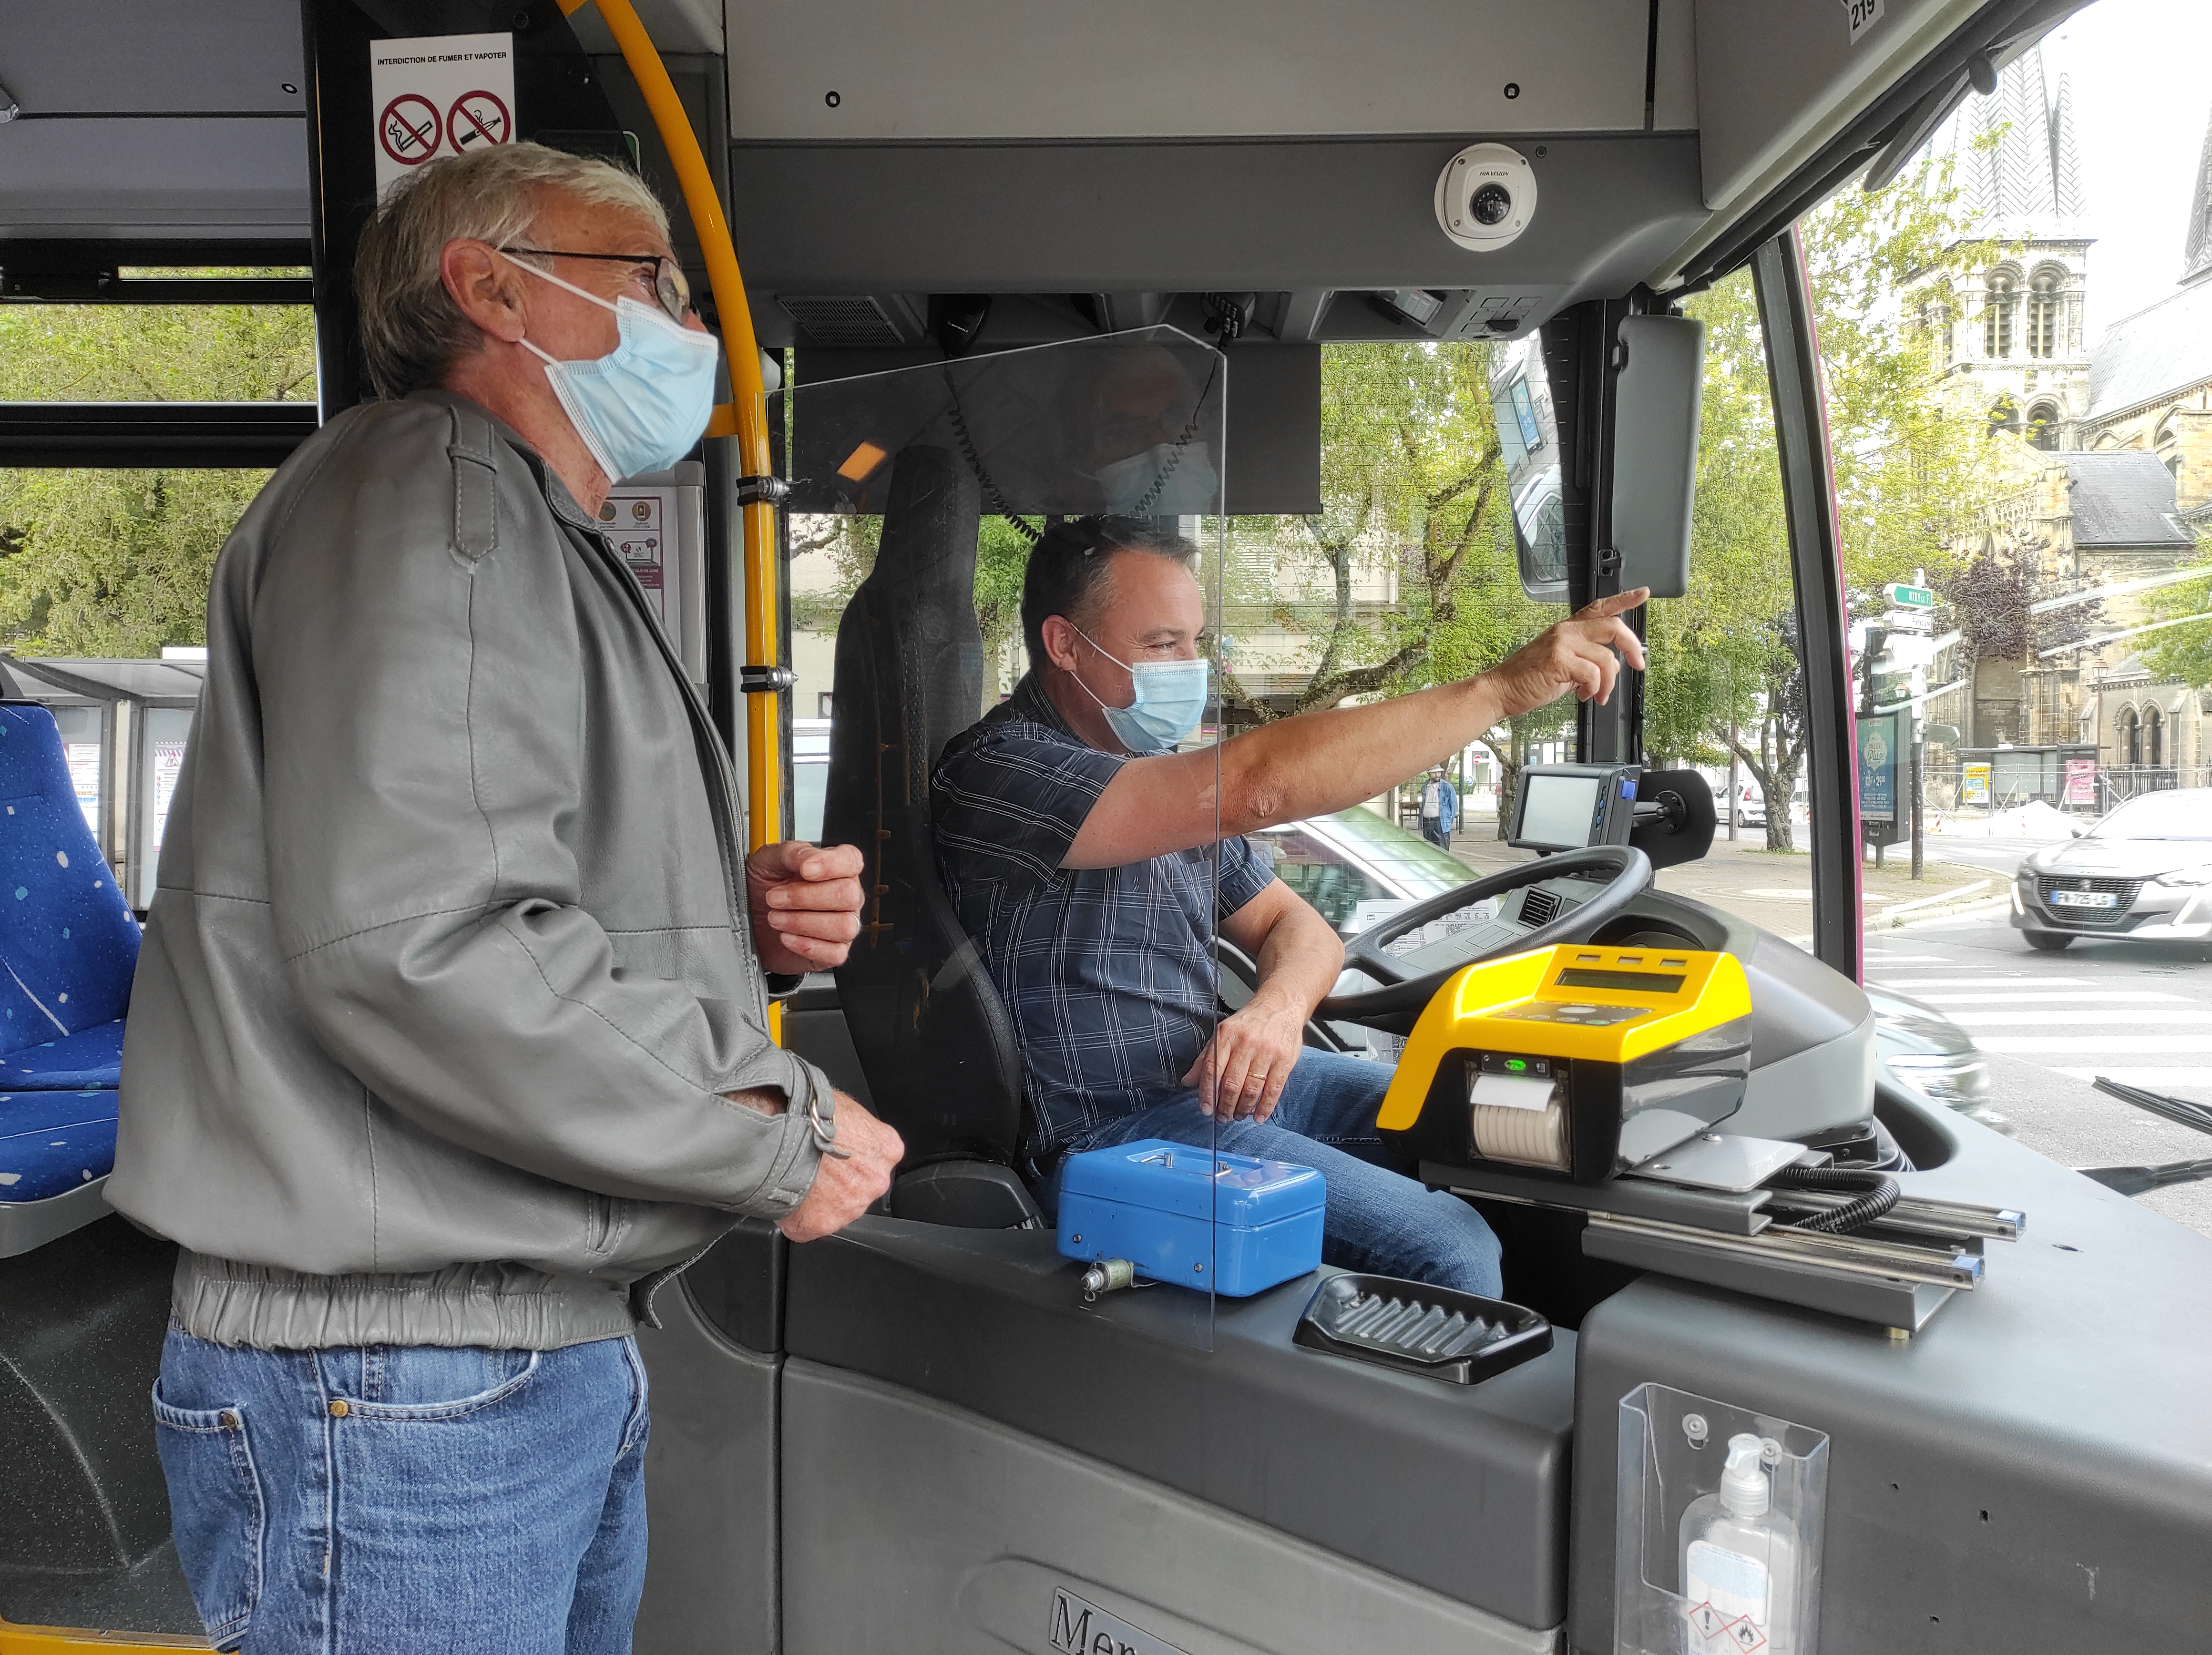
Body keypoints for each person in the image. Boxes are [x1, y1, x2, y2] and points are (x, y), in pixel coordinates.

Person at [107, 143, 902, 1655]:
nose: (687, 324)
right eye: (648, 280)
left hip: (486, 1353)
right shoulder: (438, 487)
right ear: (491, 289)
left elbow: (448, 886)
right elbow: (418, 945)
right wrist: (768, 1127)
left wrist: (715, 916)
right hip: (406, 1377)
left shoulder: (518, 522)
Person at [932, 516, 1646, 1299]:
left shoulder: (1151, 771)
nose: (1191, 667)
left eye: (1195, 642)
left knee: (1489, 1119)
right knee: (1447, 1244)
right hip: (1109, 1134)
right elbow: (1257, 785)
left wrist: (1276, 1010)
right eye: (1163, 643)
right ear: (1065, 645)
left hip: (1207, 1084)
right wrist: (1497, 692)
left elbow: (1293, 925)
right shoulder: (1001, 772)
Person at [1418, 765, 1460, 850]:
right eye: (1434, 773)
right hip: (1427, 822)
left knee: (1442, 849)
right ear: (1429, 773)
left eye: (1439, 772)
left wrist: (1447, 822)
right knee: (1429, 850)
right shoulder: (1425, 786)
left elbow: (1454, 806)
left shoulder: (1447, 787)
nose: (1437, 775)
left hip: (1439, 822)